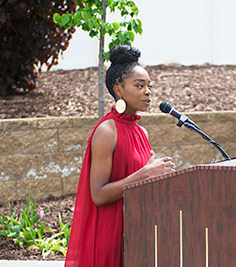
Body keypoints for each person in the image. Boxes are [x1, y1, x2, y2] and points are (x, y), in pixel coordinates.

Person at [64, 45, 175, 267]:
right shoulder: (107, 131)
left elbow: (144, 182)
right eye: (139, 85)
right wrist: (145, 173)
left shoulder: (141, 132)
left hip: (137, 233)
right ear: (119, 89)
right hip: (111, 233)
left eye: (149, 86)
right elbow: (99, 194)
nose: (148, 92)